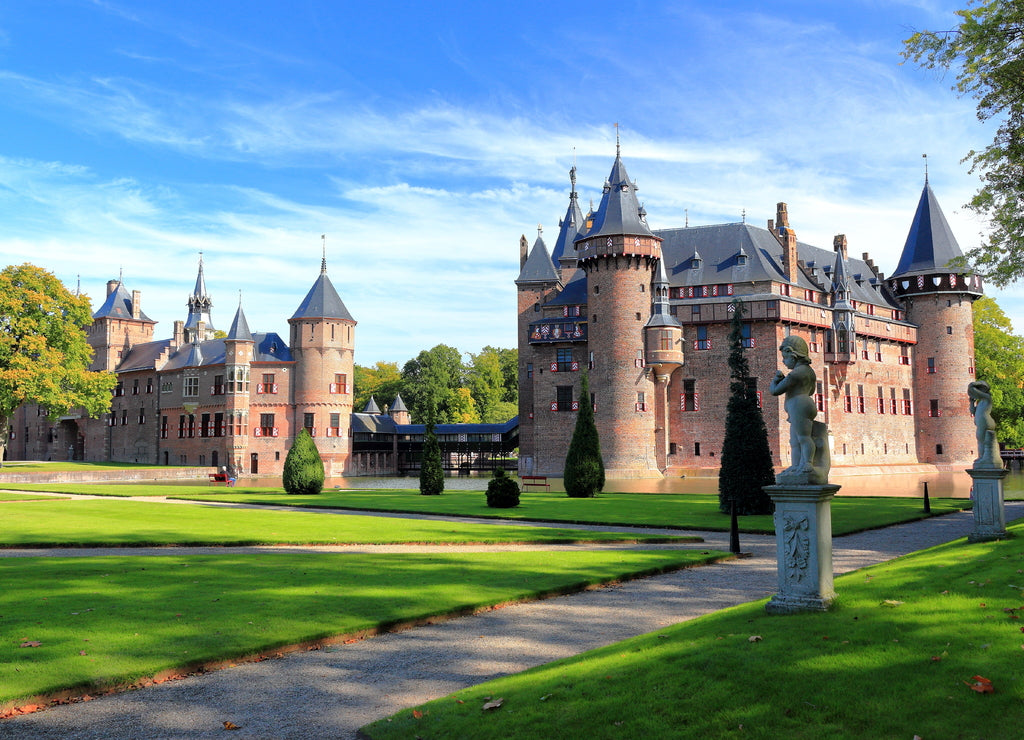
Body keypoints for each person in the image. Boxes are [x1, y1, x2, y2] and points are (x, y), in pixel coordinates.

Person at [769, 336, 818, 475]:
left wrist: (776, 380)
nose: (784, 362)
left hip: (798, 405)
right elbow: (812, 390)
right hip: (805, 403)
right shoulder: (810, 372)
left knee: (802, 438)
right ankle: (797, 465)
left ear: (793, 354)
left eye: (785, 358)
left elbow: (775, 391)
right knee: (795, 440)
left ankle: (807, 463)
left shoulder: (795, 374)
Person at [968, 380, 1001, 468]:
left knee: (981, 440)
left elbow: (974, 390)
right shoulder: (981, 402)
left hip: (985, 421)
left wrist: (973, 385)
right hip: (982, 422)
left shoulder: (987, 397)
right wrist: (971, 402)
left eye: (980, 389)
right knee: (981, 440)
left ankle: (983, 458)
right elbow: (972, 411)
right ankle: (983, 457)